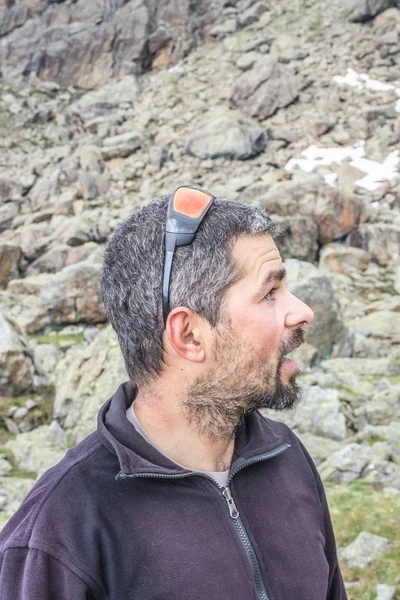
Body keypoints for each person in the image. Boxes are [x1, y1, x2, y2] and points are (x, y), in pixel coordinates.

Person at [0, 186, 347, 600]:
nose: (303, 311)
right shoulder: (59, 533)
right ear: (188, 335)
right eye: (270, 293)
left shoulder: (286, 458)